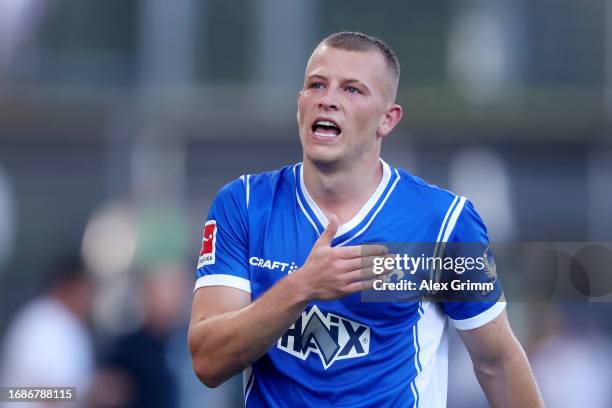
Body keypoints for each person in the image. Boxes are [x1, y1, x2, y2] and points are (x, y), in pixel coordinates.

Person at [188, 32, 543, 407]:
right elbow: (208, 361)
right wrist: (302, 287)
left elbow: (496, 361)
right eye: (316, 85)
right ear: (299, 105)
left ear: (387, 119)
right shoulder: (244, 205)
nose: (328, 100)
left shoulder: (443, 223)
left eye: (352, 90)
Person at [0, 253, 95, 407]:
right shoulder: (39, 323)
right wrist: (87, 392)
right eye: (85, 289)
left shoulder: (72, 326)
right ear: (67, 286)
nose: (89, 298)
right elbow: (20, 392)